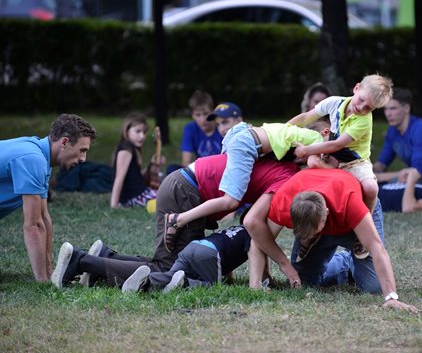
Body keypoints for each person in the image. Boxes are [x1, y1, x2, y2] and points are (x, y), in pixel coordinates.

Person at [50, 154, 299, 289]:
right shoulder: (287, 177)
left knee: (164, 263)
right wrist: (286, 267)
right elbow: (254, 224)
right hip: (186, 192)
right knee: (167, 271)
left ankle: (106, 259)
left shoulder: (275, 164)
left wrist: (264, 274)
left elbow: (247, 222)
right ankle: (81, 261)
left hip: (183, 184)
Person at [244, 168, 419, 313]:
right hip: (321, 217)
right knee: (305, 284)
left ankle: (351, 258)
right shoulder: (284, 202)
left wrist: (391, 297)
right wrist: (273, 275)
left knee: (373, 288)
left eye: (312, 232)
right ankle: (343, 264)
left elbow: (376, 247)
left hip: (352, 222)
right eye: (305, 234)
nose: (309, 235)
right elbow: (258, 241)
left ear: (326, 213)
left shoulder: (349, 203)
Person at [162, 104, 330, 252]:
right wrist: (334, 168)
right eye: (328, 152)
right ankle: (178, 219)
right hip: (247, 142)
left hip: (242, 135)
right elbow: (314, 162)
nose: (326, 155)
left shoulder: (294, 137)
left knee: (227, 189)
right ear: (325, 132)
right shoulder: (316, 139)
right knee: (230, 201)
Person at [0, 113, 96, 281]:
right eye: (82, 150)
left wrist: (51, 273)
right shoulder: (33, 159)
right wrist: (43, 281)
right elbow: (33, 225)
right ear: (65, 142)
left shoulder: (41, 157)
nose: (83, 159)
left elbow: (43, 218)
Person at [288, 74, 393, 212]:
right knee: (311, 169)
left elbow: (337, 144)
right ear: (357, 88)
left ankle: (367, 216)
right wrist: (282, 129)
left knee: (371, 188)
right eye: (361, 100)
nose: (361, 107)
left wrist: (306, 150)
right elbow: (305, 117)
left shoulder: (364, 121)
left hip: (355, 162)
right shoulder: (334, 102)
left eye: (369, 107)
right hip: (333, 155)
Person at [120, 224, 253, 293]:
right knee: (213, 287)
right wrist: (261, 282)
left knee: (170, 276)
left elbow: (228, 249)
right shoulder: (253, 235)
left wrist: (229, 278)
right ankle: (185, 283)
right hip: (209, 253)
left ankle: (147, 281)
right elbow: (256, 261)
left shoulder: (235, 229)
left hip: (193, 246)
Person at [373, 88, 422, 186]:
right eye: (385, 109)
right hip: (414, 181)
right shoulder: (392, 130)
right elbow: (382, 164)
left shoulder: (420, 129)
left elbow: (416, 172)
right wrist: (364, 170)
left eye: (393, 108)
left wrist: (380, 177)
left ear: (406, 108)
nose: (388, 114)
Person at [110, 112, 164, 209]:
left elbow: (137, 178)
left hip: (140, 193)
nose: (142, 136)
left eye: (144, 132)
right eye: (138, 131)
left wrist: (151, 165)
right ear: (127, 131)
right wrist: (114, 205)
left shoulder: (133, 148)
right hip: (136, 197)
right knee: (169, 198)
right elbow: (119, 178)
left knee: (168, 192)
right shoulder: (126, 149)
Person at [179, 90, 223, 167]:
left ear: (212, 111)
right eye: (198, 115)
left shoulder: (221, 127)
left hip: (220, 171)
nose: (202, 119)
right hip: (200, 171)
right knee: (172, 169)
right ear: (192, 115)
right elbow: (185, 162)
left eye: (205, 114)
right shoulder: (190, 128)